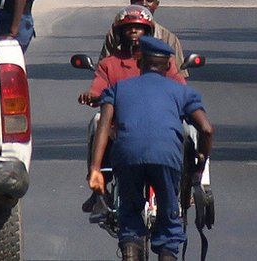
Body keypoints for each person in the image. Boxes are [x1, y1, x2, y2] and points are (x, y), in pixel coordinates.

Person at [88, 36, 213, 261]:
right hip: (166, 158)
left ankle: (131, 251)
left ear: (140, 63)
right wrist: (200, 164)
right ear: (167, 66)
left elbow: (103, 127)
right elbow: (206, 129)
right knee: (169, 219)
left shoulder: (118, 88)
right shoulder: (181, 92)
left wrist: (96, 169)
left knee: (129, 215)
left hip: (127, 156)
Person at [78, 5, 184, 214]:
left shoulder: (162, 60)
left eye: (139, 28)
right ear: (119, 33)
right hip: (119, 124)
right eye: (129, 28)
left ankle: (194, 182)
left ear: (148, 32)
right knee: (98, 122)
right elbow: (98, 89)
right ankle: (98, 184)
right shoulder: (109, 63)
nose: (134, 32)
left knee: (191, 130)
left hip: (158, 123)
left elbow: (180, 88)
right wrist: (91, 96)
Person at [100, 0, 188, 79]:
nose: (144, 4)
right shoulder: (116, 34)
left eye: (149, 0)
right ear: (131, 2)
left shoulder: (169, 39)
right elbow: (103, 70)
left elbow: (179, 77)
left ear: (156, 4)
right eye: (139, 0)